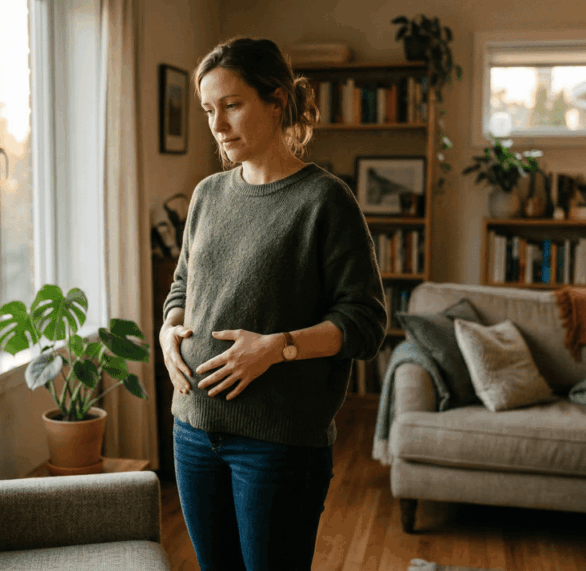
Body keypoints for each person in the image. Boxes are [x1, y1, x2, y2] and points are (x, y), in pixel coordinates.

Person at [159, 36, 388, 571]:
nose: (218, 125)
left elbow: (366, 322)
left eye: (232, 105)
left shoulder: (324, 200)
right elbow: (182, 285)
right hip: (192, 429)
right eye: (209, 110)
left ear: (277, 100)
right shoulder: (207, 195)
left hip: (277, 444)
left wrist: (276, 348)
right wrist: (169, 330)